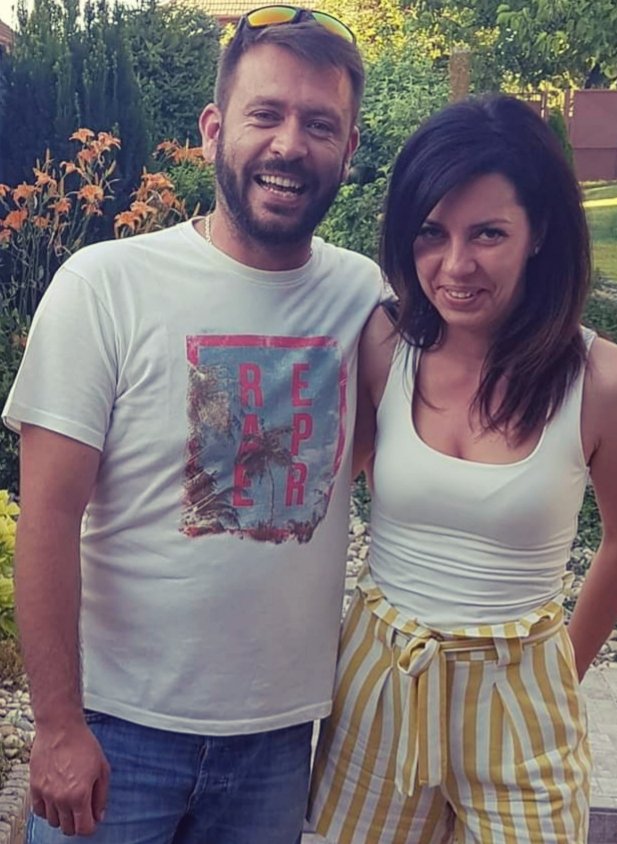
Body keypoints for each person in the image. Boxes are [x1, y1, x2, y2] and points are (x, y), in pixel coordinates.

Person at [3, 7, 382, 843]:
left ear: (349, 150)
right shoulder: (104, 285)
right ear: (214, 129)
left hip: (278, 740)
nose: (290, 144)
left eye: (320, 125)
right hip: (117, 730)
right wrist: (58, 725)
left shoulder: (365, 297)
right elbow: (48, 517)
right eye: (265, 114)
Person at [308, 95, 617, 844]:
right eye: (431, 233)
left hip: (522, 696)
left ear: (540, 233)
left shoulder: (604, 381)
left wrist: (559, 671)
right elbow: (340, 474)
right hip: (382, 682)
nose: (455, 266)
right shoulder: (383, 345)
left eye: (488, 233)